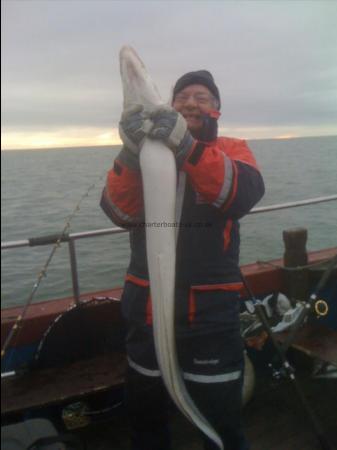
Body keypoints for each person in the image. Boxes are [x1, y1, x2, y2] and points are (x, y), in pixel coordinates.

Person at [100, 70, 265, 450]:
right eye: (182, 96)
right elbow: (118, 212)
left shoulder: (232, 148)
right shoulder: (142, 154)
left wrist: (186, 146)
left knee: (222, 423)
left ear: (217, 109)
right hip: (146, 311)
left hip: (209, 317)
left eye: (202, 97)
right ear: (170, 105)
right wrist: (129, 150)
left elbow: (242, 194)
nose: (191, 102)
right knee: (146, 420)